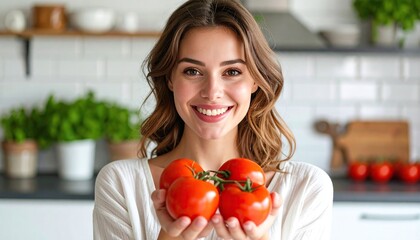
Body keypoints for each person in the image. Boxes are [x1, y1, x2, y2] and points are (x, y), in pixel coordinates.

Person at [93, 0, 333, 239]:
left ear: (256, 81)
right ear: (169, 79)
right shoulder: (121, 183)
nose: (212, 91)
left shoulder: (306, 188)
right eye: (193, 71)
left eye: (232, 72)